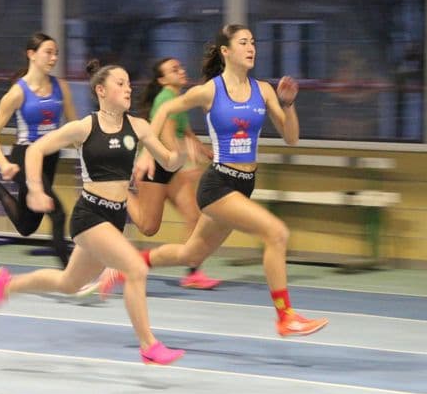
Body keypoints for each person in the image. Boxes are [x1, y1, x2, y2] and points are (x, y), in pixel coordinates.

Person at [102, 24, 328, 337]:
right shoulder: (211, 90)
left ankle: (130, 263)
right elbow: (166, 107)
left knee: (191, 255)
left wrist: (288, 105)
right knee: (276, 233)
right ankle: (285, 316)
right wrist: (146, 151)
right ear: (226, 51)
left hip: (244, 184)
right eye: (243, 42)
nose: (251, 48)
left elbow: (291, 138)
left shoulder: (262, 90)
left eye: (253, 42)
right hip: (219, 184)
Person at [0, 59, 187, 365]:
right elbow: (36, 150)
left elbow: (168, 163)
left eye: (130, 83)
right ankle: (149, 345)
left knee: (69, 284)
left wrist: (180, 153)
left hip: (115, 217)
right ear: (101, 90)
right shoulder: (84, 127)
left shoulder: (139, 127)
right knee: (136, 269)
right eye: (120, 83)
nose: (128, 88)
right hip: (90, 215)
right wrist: (35, 189)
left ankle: (6, 286)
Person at [0, 32, 76, 268]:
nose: (54, 58)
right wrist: (4, 163)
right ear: (31, 55)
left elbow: (75, 126)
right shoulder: (17, 93)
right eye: (48, 52)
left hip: (50, 156)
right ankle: (71, 273)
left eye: (56, 53)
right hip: (25, 156)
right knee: (58, 213)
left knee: (26, 226)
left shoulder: (61, 87)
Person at [127, 57, 220, 289]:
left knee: (194, 217)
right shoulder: (165, 99)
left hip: (172, 169)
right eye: (174, 69)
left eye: (181, 67)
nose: (181, 71)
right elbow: (166, 136)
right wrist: (185, 159)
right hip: (154, 168)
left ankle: (193, 272)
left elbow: (185, 132)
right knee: (148, 228)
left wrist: (203, 149)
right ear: (162, 79)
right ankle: (120, 191)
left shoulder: (178, 100)